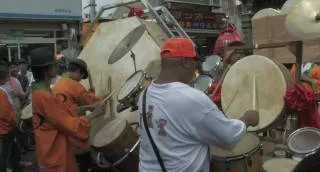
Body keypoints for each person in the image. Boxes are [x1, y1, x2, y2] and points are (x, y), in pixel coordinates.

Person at [138, 37, 259, 172]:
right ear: (185, 62)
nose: (196, 68)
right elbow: (229, 137)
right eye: (194, 63)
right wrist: (247, 119)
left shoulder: (145, 94)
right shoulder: (191, 98)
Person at [29, 47, 105, 172]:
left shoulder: (39, 91)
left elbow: (60, 113)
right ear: (45, 70)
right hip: (54, 151)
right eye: (54, 65)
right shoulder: (45, 96)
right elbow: (68, 124)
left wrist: (86, 107)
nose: (57, 67)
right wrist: (93, 114)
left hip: (48, 147)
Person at [52, 58, 109, 172]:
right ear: (78, 71)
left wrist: (89, 97)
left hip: (61, 130)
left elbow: (72, 106)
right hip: (74, 131)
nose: (80, 80)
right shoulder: (75, 86)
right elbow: (94, 102)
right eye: (81, 76)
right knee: (81, 157)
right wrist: (102, 96)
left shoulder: (60, 83)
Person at [0, 61, 22, 172]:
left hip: (4, 129)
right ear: (5, 77)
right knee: (3, 157)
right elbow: (6, 114)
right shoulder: (2, 92)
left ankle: (17, 168)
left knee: (13, 151)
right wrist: (15, 122)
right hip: (5, 130)